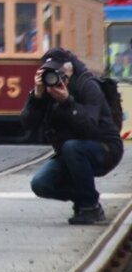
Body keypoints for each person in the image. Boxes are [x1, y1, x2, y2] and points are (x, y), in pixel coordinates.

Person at [21, 48, 124, 225]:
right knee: (41, 184)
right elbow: (27, 125)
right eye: (50, 71)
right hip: (70, 152)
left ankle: (89, 207)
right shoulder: (47, 91)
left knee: (72, 147)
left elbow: (90, 129)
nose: (56, 76)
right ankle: (86, 199)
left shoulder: (87, 85)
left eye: (59, 71)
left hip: (105, 149)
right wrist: (36, 98)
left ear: (70, 69)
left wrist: (68, 101)